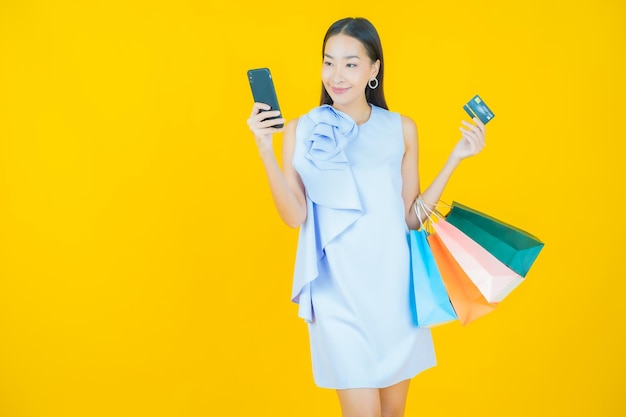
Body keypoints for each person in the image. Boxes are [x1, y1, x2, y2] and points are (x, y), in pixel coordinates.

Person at [246, 17, 486, 417]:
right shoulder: (300, 130)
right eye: (328, 62)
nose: (336, 76)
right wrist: (264, 149)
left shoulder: (401, 129)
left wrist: (455, 159)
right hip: (337, 293)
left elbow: (411, 217)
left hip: (395, 292)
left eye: (351, 64)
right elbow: (295, 216)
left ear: (374, 69)